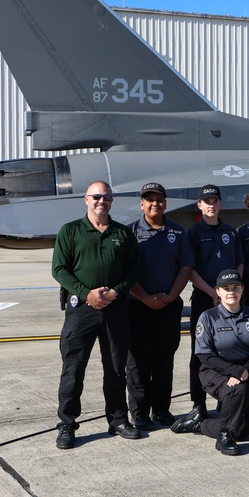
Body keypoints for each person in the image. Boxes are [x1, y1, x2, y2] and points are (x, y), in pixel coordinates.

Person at [51, 181, 142, 450]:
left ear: (112, 202)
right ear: (86, 200)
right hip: (81, 311)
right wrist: (86, 293)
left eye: (107, 197)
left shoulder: (122, 234)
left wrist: (115, 292)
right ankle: (67, 423)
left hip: (115, 310)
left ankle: (117, 419)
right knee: (73, 368)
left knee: (116, 368)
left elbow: (134, 269)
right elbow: (59, 269)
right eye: (97, 197)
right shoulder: (70, 231)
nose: (102, 201)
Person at [172, 184, 245, 434]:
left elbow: (239, 263)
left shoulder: (231, 232)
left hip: (231, 301)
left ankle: (228, 398)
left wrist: (234, 291)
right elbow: (190, 269)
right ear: (200, 205)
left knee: (231, 351)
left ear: (220, 204)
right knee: (200, 353)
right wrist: (213, 293)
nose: (211, 204)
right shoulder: (192, 233)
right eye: (207, 201)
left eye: (215, 200)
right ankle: (198, 404)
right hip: (205, 300)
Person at [125, 182, 193, 430]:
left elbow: (185, 267)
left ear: (165, 203)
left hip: (169, 306)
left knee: (164, 360)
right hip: (137, 307)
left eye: (159, 199)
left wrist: (171, 296)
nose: (155, 203)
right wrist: (145, 298)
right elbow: (126, 272)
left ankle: (162, 410)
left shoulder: (177, 232)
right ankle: (140, 412)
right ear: (141, 203)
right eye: (149, 199)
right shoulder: (130, 233)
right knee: (138, 363)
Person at [194, 269, 249, 456]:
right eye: (226, 288)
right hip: (215, 371)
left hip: (246, 371)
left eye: (235, 287)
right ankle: (223, 435)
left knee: (242, 431)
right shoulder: (208, 317)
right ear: (218, 292)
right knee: (239, 390)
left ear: (242, 290)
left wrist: (242, 370)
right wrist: (234, 371)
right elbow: (204, 355)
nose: (231, 292)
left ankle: (201, 425)